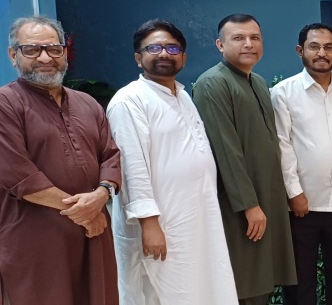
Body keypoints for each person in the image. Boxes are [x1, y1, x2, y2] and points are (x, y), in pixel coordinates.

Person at [107, 19, 238, 304]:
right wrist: (149, 223)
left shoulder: (182, 95)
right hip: (161, 225)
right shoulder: (129, 101)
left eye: (172, 47)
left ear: (183, 57)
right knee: (164, 291)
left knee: (201, 287)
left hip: (197, 218)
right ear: (138, 58)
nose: (164, 53)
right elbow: (132, 168)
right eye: (154, 47)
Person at [0, 16, 121, 304]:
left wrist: (101, 195)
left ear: (64, 53)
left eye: (54, 49)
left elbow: (111, 156)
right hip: (35, 239)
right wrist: (85, 212)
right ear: (13, 55)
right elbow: (18, 174)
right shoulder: (6, 103)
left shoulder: (87, 103)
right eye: (31, 50)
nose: (45, 58)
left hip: (94, 237)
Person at [192, 13, 298, 305]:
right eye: (238, 38)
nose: (248, 44)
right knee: (243, 283)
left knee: (261, 281)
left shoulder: (259, 82)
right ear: (220, 44)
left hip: (266, 198)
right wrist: (249, 205)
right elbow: (226, 149)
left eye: (255, 38)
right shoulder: (212, 83)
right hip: (238, 205)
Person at [271, 23, 332, 305]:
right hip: (303, 205)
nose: (321, 53)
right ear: (301, 51)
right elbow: (281, 145)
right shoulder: (283, 92)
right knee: (300, 284)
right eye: (314, 47)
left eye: (328, 47)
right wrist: (294, 193)